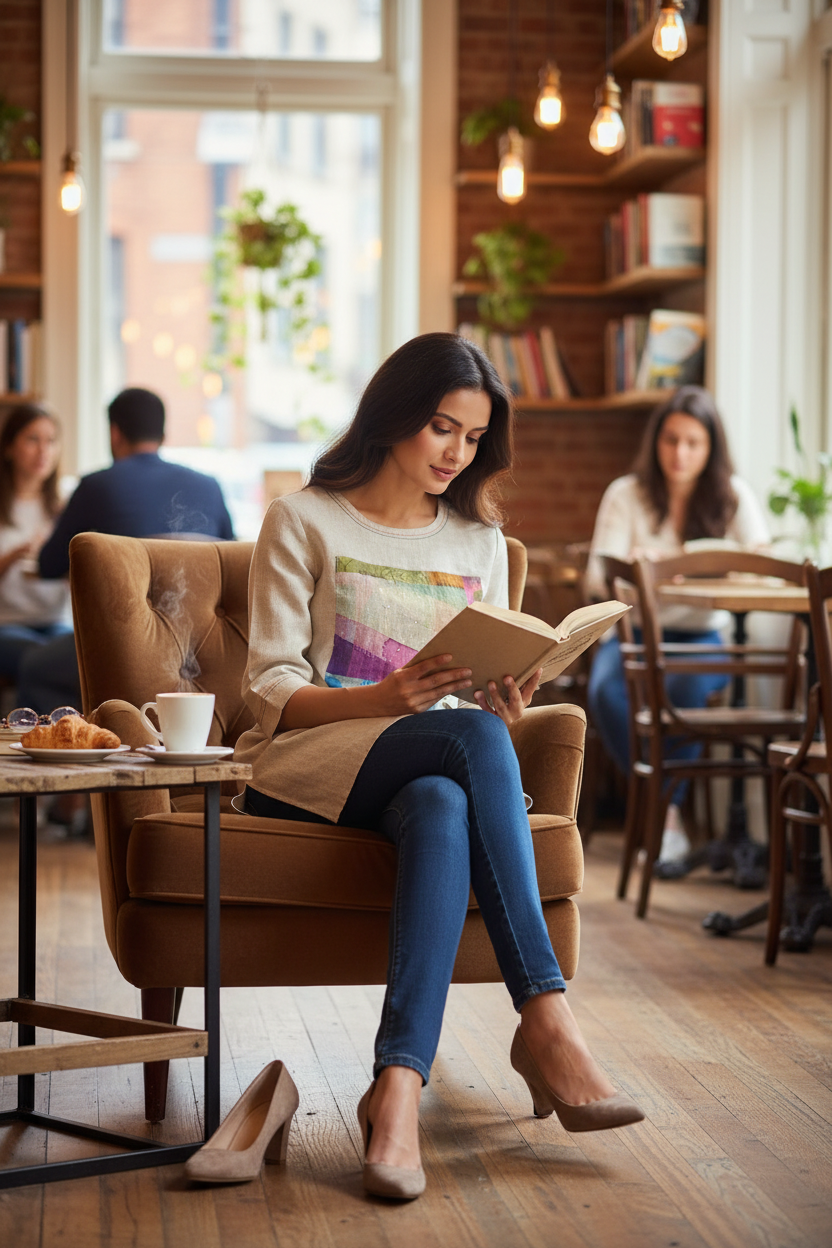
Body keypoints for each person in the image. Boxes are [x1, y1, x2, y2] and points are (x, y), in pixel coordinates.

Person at [234, 332, 643, 1201]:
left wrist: (500, 703)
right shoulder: (303, 517)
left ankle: (396, 1091)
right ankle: (547, 1018)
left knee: (442, 799)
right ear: (392, 417)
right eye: (440, 429)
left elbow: (470, 696)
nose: (456, 454)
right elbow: (270, 688)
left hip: (434, 760)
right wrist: (387, 698)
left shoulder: (479, 541)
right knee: (467, 749)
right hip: (310, 760)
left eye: (472, 437)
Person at [585, 385, 771, 862]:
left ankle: (661, 813)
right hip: (633, 632)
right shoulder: (625, 494)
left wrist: (671, 563)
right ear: (655, 441)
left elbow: (762, 562)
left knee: (685, 692)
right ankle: (666, 812)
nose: (680, 453)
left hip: (701, 636)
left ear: (711, 448)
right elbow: (597, 579)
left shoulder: (733, 495)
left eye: (693, 442)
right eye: (671, 440)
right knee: (607, 691)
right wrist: (636, 568)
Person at [17, 386, 235, 715]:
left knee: (35, 666)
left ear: (115, 433)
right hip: (202, 652)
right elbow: (229, 567)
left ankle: (81, 741)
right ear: (163, 433)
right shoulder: (209, 486)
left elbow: (48, 565)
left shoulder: (95, 486)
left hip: (127, 648)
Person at [0, 403, 71, 696]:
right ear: (9, 448)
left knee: (79, 651)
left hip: (55, 622)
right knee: (43, 656)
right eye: (32, 439)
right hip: (7, 624)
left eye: (50, 441)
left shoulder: (66, 508)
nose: (44, 451)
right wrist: (15, 555)